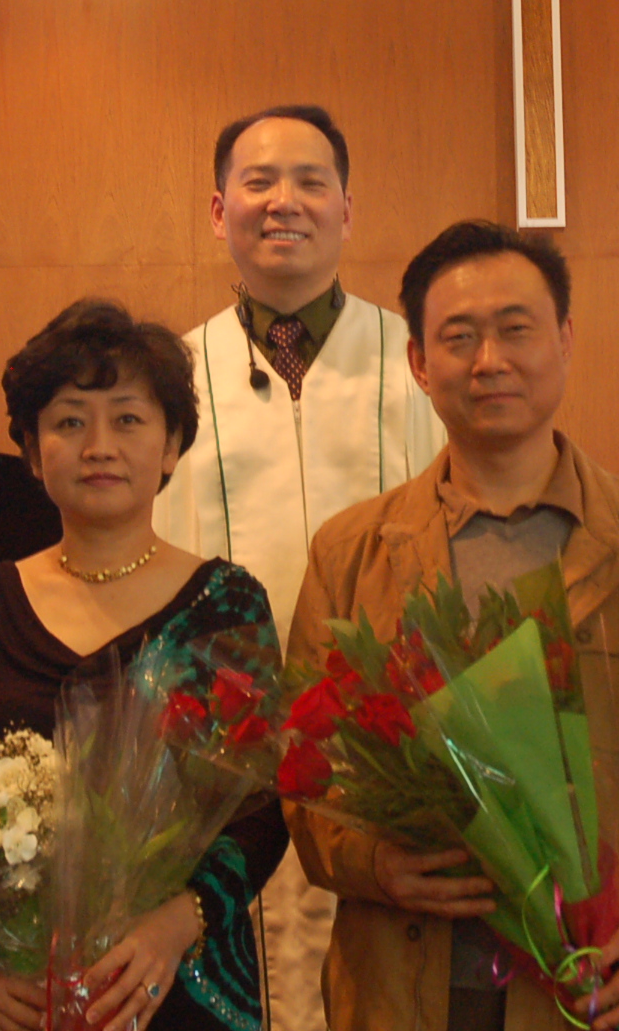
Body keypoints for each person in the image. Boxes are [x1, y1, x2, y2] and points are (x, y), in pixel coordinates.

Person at [285, 221, 619, 1031]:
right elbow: (305, 771)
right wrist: (373, 862)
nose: (489, 360)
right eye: (458, 337)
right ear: (419, 363)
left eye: (516, 329)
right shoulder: (352, 553)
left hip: (604, 990)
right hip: (407, 987)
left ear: (564, 340)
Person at [0, 299, 287, 1031]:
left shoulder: (227, 604)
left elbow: (263, 810)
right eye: (68, 422)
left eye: (127, 420)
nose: (98, 446)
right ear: (32, 452)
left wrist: (176, 923)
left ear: (172, 445)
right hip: (13, 1000)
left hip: (177, 985)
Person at [154, 104, 442, 1031]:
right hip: (217, 760)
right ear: (219, 211)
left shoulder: (420, 363)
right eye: (260, 182)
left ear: (347, 211)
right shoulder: (167, 377)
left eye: (311, 182)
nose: (285, 202)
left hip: (385, 753)